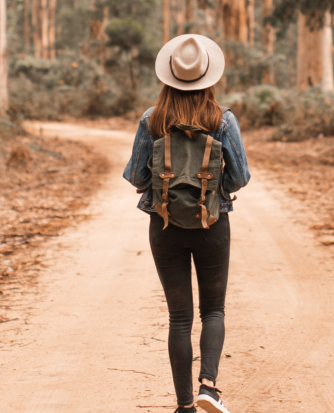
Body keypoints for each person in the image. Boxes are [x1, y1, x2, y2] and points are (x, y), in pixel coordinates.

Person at [123, 34, 250, 413]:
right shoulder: (222, 120)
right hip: (212, 224)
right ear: (208, 77)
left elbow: (136, 176)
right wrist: (211, 191)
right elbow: (239, 177)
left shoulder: (152, 119)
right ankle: (209, 387)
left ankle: (184, 407)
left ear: (169, 76)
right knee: (213, 311)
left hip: (164, 226)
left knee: (179, 317)